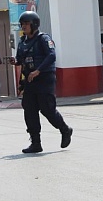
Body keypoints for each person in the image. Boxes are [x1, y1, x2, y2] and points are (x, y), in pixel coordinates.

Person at [10, 11, 73, 154]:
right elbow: (20, 59)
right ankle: (36, 143)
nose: (24, 27)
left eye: (26, 24)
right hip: (30, 80)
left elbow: (52, 56)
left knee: (47, 109)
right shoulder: (22, 42)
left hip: (44, 78)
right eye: (22, 24)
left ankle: (65, 130)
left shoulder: (43, 39)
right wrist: (15, 62)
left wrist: (38, 70)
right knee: (29, 110)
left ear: (34, 24)